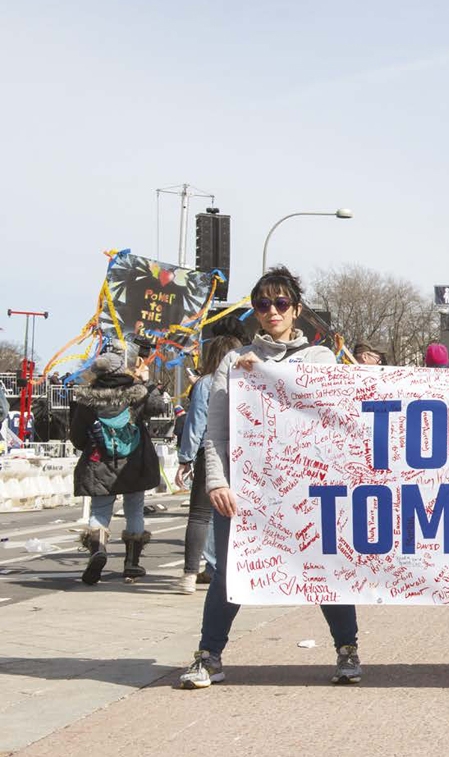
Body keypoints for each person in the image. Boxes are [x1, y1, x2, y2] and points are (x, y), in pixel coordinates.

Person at [179, 266, 363, 690]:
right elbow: (217, 431)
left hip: (306, 487)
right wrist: (216, 483)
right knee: (229, 571)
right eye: (263, 304)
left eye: (281, 303)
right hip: (247, 490)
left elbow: (328, 412)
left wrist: (266, 378)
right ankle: (209, 655)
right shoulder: (233, 361)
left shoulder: (319, 358)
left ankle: (347, 648)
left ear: (296, 310)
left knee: (322, 567)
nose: (272, 311)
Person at [69, 350, 169, 585]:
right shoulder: (137, 393)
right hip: (134, 461)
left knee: (100, 510)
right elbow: (158, 408)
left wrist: (91, 446)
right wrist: (148, 381)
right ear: (120, 368)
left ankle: (98, 550)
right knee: (134, 508)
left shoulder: (87, 397)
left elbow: (76, 435)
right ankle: (132, 563)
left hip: (100, 460)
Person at [173, 334, 242, 595]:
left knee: (200, 515)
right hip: (240, 454)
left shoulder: (204, 383)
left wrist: (185, 458)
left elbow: (196, 423)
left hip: (210, 453)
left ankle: (190, 573)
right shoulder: (245, 380)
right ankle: (221, 569)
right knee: (229, 513)